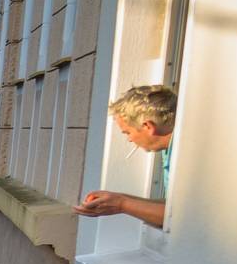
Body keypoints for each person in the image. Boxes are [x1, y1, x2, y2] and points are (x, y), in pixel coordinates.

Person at [73, 83, 174, 228]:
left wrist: (121, 204)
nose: (129, 139)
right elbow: (173, 207)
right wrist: (118, 200)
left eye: (128, 132)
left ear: (148, 127)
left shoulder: (187, 156)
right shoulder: (170, 150)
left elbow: (179, 217)